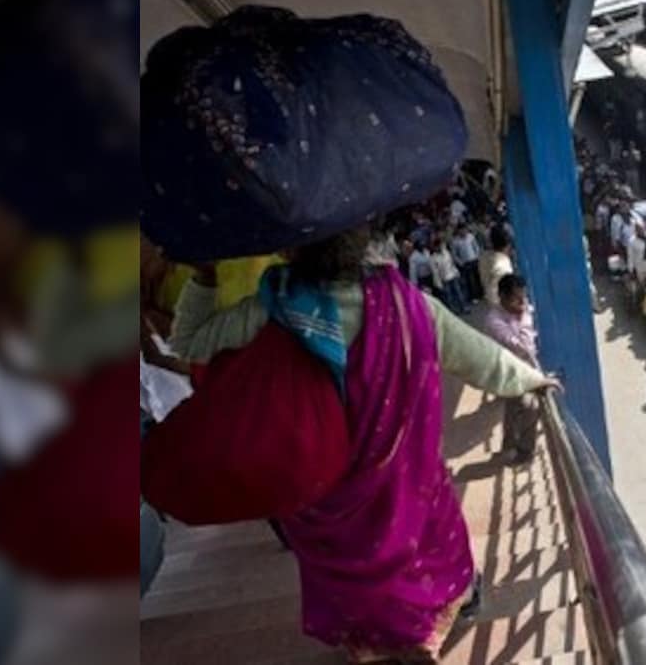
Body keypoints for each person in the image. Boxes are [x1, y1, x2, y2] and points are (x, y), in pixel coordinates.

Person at [168, 229, 560, 662]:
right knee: (429, 555)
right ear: (361, 242)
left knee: (353, 583)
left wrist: (204, 278)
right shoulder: (409, 305)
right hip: (406, 486)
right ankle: (433, 625)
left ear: (288, 249)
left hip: (322, 495)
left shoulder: (272, 308)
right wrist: (531, 380)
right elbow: (479, 359)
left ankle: (372, 647)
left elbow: (189, 342)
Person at [484, 274, 543, 465]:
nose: (522, 302)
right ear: (502, 297)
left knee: (513, 410)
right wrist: (525, 316)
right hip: (509, 374)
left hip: (523, 370)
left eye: (523, 297)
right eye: (516, 299)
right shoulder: (495, 320)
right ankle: (524, 450)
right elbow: (522, 346)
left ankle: (509, 446)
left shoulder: (520, 309)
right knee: (529, 407)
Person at [478, 224, 514, 308]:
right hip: (502, 307)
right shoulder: (503, 265)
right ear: (508, 244)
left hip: (491, 302)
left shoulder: (484, 257)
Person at [430, 236, 468, 315]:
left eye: (440, 245)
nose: (440, 247)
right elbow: (435, 273)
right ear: (435, 247)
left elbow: (451, 263)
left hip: (452, 276)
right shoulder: (433, 258)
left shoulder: (446, 252)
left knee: (459, 293)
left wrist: (456, 272)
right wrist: (438, 284)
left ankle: (463, 307)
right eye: (438, 246)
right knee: (449, 297)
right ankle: (453, 311)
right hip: (444, 279)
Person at [451, 224, 482, 302]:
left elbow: (476, 247)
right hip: (466, 263)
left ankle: (481, 294)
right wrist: (460, 262)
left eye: (464, 229)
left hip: (474, 260)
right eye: (461, 230)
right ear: (458, 231)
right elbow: (454, 255)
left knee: (478, 277)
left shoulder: (470, 237)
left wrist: (477, 256)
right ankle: (474, 297)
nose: (463, 231)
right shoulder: (456, 241)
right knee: (470, 281)